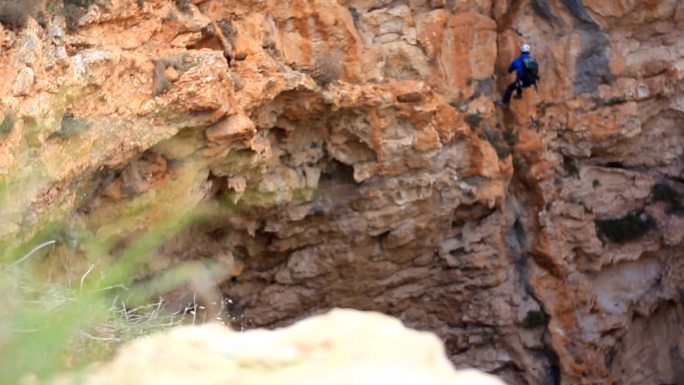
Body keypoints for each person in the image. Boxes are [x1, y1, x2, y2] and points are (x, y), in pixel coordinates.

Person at [496, 44, 539, 108]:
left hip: (522, 81)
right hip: (531, 81)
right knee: (518, 82)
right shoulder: (532, 60)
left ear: (521, 51)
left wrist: (510, 71)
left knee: (510, 88)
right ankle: (519, 95)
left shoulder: (517, 60)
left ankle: (504, 103)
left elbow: (510, 69)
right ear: (529, 51)